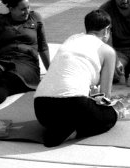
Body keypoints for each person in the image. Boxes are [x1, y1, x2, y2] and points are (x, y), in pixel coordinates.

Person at [34, 9, 123, 148]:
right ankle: (74, 131)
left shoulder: (71, 39)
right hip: (74, 105)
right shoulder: (107, 51)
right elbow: (105, 97)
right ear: (107, 30)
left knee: (70, 110)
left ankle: (61, 127)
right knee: (111, 115)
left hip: (41, 109)